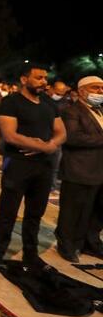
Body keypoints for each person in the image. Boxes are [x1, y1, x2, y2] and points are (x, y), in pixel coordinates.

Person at [0, 64, 66, 270]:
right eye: (39, 77)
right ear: (24, 80)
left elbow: (61, 132)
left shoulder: (49, 104)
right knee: (8, 213)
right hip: (18, 165)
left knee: (35, 214)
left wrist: (47, 147)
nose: (44, 81)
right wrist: (44, 146)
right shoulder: (11, 102)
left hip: (44, 167)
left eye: (45, 78)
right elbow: (10, 135)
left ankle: (30, 254)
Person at [55, 76, 103, 262]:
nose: (100, 92)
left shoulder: (100, 110)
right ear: (82, 90)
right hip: (79, 169)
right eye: (96, 88)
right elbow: (74, 138)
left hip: (99, 170)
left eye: (102, 88)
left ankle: (89, 242)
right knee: (72, 211)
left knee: (96, 210)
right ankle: (66, 245)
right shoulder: (71, 111)